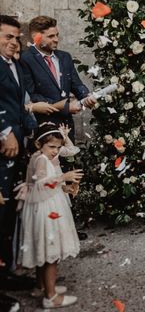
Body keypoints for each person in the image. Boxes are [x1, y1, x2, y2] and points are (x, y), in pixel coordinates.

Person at [17, 123, 82, 308]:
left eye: (58, 148)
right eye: (52, 147)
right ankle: (51, 297)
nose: (55, 151)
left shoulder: (39, 156)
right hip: (46, 208)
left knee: (44, 248)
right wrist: (64, 177)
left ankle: (41, 286)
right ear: (39, 145)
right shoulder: (42, 160)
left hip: (43, 205)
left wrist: (64, 187)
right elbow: (41, 184)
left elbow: (45, 183)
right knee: (51, 253)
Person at [0, 15, 36, 303]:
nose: (14, 42)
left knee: (10, 212)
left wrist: (33, 132)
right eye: (8, 37)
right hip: (3, 149)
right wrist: (4, 132)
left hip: (19, 148)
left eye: (16, 37)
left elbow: (22, 101)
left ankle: (6, 269)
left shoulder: (15, 65)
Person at [20, 16, 96, 142]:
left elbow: (77, 85)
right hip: (43, 128)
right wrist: (65, 107)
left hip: (67, 127)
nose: (56, 39)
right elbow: (32, 95)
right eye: (50, 36)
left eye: (57, 35)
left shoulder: (65, 57)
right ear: (36, 36)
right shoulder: (26, 59)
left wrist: (86, 96)